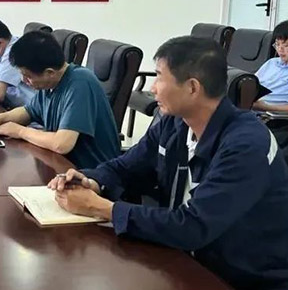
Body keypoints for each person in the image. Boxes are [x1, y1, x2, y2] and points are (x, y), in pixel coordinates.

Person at [48, 36, 288, 290]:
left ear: (192, 88)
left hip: (241, 278)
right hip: (182, 259)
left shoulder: (246, 145)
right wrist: (92, 181)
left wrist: (102, 208)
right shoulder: (175, 122)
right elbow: (127, 166)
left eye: (159, 77)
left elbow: (194, 226)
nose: (152, 88)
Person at [0, 31, 120, 168]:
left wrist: (19, 131)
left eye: (28, 76)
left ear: (49, 72)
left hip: (91, 173)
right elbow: (28, 112)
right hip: (60, 164)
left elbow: (62, 144)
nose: (23, 80)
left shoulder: (80, 83)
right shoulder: (50, 84)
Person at [253, 20, 288, 113]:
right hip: (249, 108)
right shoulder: (272, 63)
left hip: (270, 116)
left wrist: (266, 107)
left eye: (286, 45)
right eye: (277, 44)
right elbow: (252, 83)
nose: (280, 49)